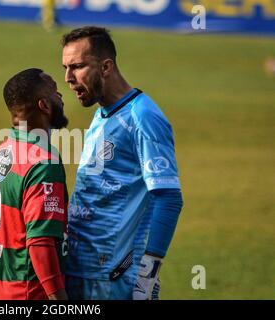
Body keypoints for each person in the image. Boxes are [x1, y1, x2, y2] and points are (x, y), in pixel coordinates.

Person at [61, 26, 183, 300]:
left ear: (106, 67)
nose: (68, 78)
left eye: (77, 67)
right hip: (82, 270)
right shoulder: (102, 113)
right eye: (66, 68)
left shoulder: (143, 117)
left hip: (112, 278)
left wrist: (147, 275)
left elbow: (168, 198)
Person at [0, 68, 69, 300]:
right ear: (44, 106)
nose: (61, 96)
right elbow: (40, 241)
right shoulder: (42, 164)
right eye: (56, 92)